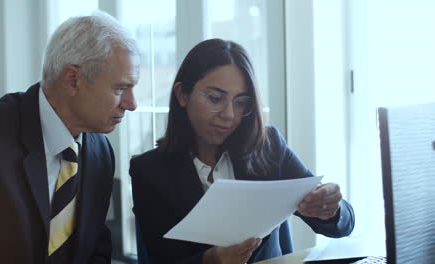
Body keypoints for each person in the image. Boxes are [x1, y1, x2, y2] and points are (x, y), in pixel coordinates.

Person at [130, 39, 355, 264]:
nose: (229, 115)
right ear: (182, 95)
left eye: (241, 103)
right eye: (215, 98)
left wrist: (331, 208)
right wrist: (210, 260)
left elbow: (342, 226)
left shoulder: (269, 147)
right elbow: (158, 259)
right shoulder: (149, 171)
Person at [0, 11, 139, 264]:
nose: (132, 104)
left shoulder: (100, 152)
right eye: (120, 88)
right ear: (73, 80)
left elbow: (96, 250)